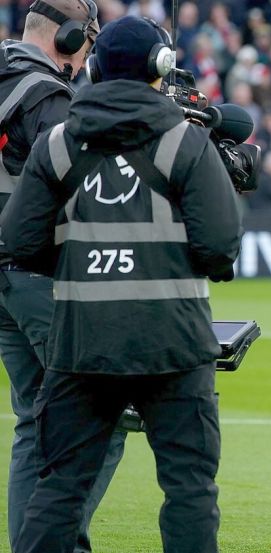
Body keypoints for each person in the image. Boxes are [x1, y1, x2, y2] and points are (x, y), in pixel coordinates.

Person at [0, 15, 242, 553]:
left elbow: (18, 242)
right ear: (161, 68)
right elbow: (220, 249)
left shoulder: (59, 143)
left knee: (59, 485)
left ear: (99, 65)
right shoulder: (186, 141)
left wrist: (81, 262)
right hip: (175, 344)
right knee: (189, 489)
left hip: (81, 343)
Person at [0, 2, 125, 551]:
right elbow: (83, 182)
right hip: (41, 274)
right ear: (73, 37)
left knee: (36, 419)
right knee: (100, 413)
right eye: (89, 44)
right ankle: (55, 544)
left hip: (6, 280)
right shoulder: (45, 95)